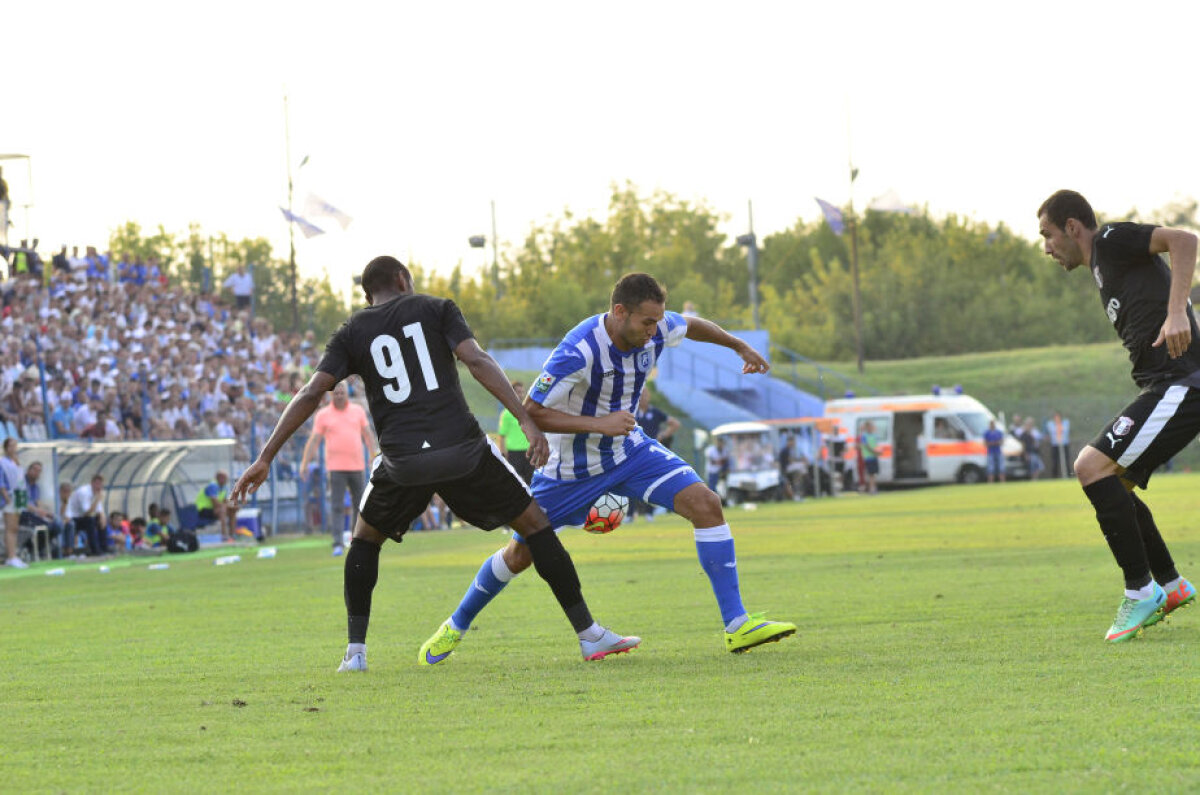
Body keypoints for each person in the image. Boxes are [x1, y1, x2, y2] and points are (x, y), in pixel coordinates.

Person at [229, 255, 636, 672]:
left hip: (403, 462)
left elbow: (310, 392)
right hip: (463, 451)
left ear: (368, 295)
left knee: (364, 541)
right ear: (403, 279)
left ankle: (355, 653)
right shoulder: (436, 308)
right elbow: (477, 361)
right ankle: (588, 634)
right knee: (535, 527)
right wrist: (525, 418)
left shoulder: (351, 331)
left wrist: (265, 457)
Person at [422, 272, 796, 663]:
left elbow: (691, 325)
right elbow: (530, 411)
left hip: (629, 453)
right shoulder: (579, 350)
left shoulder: (657, 327)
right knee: (520, 555)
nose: (654, 330)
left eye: (657, 321)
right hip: (569, 472)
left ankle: (738, 625)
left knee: (706, 504)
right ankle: (455, 625)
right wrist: (600, 424)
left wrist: (738, 346)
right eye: (646, 322)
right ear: (620, 312)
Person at [1037, 188, 1198, 642]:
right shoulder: (1102, 269)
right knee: (1116, 484)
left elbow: (1185, 240)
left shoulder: (1109, 240)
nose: (1046, 247)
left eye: (1048, 235)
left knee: (1090, 467)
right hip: (1168, 385)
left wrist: (1176, 313)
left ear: (1072, 227)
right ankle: (1170, 584)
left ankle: (1140, 591)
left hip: (1181, 383)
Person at [299, 380, 378, 556]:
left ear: (347, 393)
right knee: (337, 506)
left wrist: (373, 455)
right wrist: (304, 463)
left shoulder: (357, 411)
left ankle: (357, 540)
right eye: (336, 393)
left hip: (357, 466)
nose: (339, 395)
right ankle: (337, 543)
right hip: (335, 468)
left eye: (342, 392)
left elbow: (368, 435)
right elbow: (314, 440)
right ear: (330, 395)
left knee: (360, 505)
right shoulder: (323, 415)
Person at [496, 380, 534, 484]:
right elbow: (502, 435)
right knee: (514, 483)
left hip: (529, 452)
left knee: (531, 483)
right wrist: (503, 454)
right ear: (512, 393)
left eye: (522, 392)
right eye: (518, 392)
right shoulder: (506, 414)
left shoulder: (528, 412)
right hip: (514, 453)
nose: (521, 395)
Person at [1, 437, 29, 568]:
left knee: (15, 528)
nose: (14, 448)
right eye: (11, 446)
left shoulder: (16, 461)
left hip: (19, 497)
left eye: (15, 445)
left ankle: (13, 555)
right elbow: (1, 481)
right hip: (10, 497)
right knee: (10, 527)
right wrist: (6, 497)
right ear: (6, 448)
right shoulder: (2, 462)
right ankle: (11, 556)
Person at [67, 474, 107, 558]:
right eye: (97, 484)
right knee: (90, 521)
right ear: (92, 483)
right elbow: (87, 513)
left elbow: (99, 510)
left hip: (84, 517)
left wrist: (102, 518)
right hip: (74, 518)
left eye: (100, 484)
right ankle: (94, 550)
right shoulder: (84, 492)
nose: (99, 487)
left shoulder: (97, 493)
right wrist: (97, 499)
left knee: (101, 520)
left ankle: (104, 548)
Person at [195, 470, 233, 540]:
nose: (227, 480)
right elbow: (215, 503)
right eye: (225, 478)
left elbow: (225, 501)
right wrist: (226, 506)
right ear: (220, 478)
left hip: (214, 509)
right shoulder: (212, 486)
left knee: (233, 510)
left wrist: (232, 505)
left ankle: (232, 534)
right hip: (203, 510)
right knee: (222, 510)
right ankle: (224, 536)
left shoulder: (224, 487)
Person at [1045, 411, 1072, 478]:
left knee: (1066, 460)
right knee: (1055, 461)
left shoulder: (1065, 423)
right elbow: (1050, 431)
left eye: (1058, 417)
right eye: (1056, 417)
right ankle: (1055, 476)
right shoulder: (1050, 424)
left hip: (1064, 444)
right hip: (1055, 445)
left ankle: (1068, 475)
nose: (1057, 419)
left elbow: (1066, 430)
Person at [859, 420, 879, 495]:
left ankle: (873, 488)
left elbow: (876, 445)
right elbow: (866, 446)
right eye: (870, 426)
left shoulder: (874, 435)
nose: (872, 428)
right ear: (867, 427)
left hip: (874, 456)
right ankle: (871, 489)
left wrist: (878, 452)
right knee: (871, 474)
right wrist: (874, 451)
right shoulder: (864, 436)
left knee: (874, 474)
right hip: (868, 457)